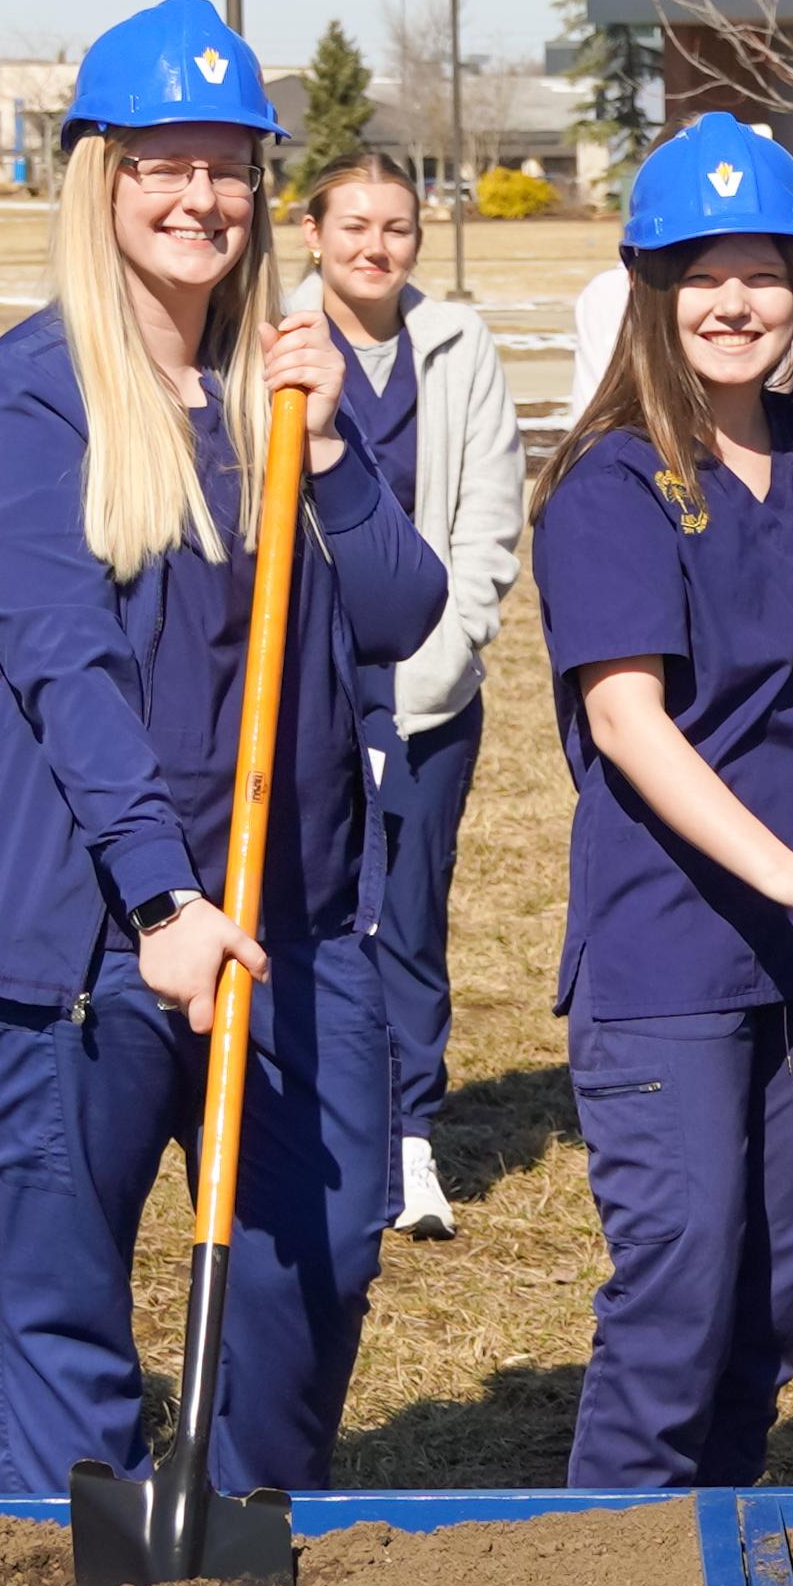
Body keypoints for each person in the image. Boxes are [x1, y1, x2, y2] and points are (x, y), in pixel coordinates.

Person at [0, 0, 435, 1498]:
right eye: (163, 166)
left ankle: (239, 1529)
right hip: (86, 927)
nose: (200, 200)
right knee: (68, 1276)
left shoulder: (290, 383)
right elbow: (67, 666)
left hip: (294, 916)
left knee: (306, 1267)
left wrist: (327, 461)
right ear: (99, 183)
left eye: (229, 168)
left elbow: (402, 610)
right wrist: (163, 903)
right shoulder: (31, 391)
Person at [528, 115, 793, 1484]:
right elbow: (628, 724)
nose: (733, 304)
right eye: (699, 275)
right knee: (679, 1299)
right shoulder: (610, 485)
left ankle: (719, 1563)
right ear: (650, 293)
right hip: (675, 950)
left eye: (760, 274)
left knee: (764, 1316)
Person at [296, 145, 526, 1249]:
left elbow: (488, 513)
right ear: (311, 235)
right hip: (301, 687)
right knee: (305, 908)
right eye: (352, 226)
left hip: (426, 690)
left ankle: (409, 1138)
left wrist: (443, 654)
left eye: (394, 227)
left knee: (408, 914)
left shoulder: (458, 342)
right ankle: (307, 1124)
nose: (374, 246)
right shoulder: (271, 338)